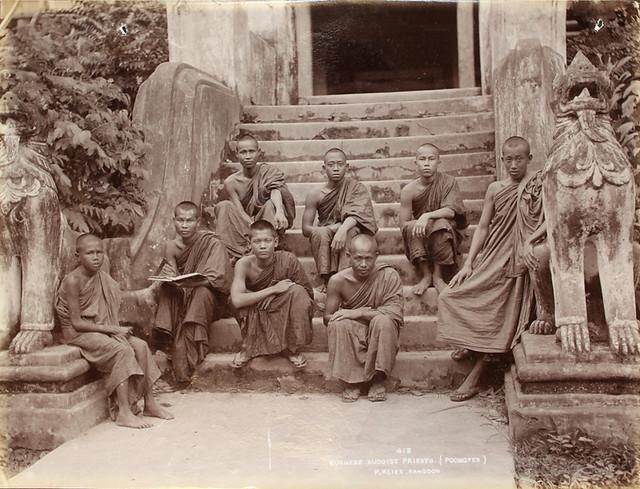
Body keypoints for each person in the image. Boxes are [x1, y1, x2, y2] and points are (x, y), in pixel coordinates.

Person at [437, 136, 543, 401]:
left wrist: (530, 241)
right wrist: (470, 263)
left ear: (529, 159)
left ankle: (474, 377)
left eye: (519, 159)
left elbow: (550, 219)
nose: (514, 164)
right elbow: (483, 227)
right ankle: (470, 342)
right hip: (492, 255)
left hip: (518, 260)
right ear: (502, 160)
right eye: (509, 159)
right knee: (450, 296)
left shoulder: (539, 185)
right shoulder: (495, 188)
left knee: (502, 314)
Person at [55, 234, 173, 429]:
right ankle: (124, 412)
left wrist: (111, 329)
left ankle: (150, 403)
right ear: (78, 256)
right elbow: (76, 323)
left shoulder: (102, 277)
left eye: (99, 252)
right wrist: (111, 329)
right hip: (78, 334)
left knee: (141, 346)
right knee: (123, 350)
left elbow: (107, 309)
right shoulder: (73, 280)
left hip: (101, 329)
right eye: (90, 253)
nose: (96, 257)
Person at [152, 201, 232, 385]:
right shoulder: (170, 246)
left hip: (209, 299)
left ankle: (192, 346)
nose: (185, 225)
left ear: (198, 221)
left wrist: (191, 283)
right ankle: (166, 337)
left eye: (189, 220)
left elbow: (220, 279)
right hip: (185, 294)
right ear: (174, 221)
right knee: (166, 288)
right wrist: (171, 276)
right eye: (181, 220)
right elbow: (173, 277)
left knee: (202, 290)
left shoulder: (212, 243)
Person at [325, 234, 403, 403]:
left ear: (377, 256)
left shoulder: (389, 275)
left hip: (380, 330)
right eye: (358, 258)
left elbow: (395, 313)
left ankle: (378, 380)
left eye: (368, 259)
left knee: (383, 320)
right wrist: (347, 317)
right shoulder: (337, 281)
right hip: (353, 331)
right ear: (348, 256)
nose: (363, 264)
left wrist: (359, 312)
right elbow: (327, 317)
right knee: (338, 323)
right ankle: (352, 381)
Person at [230, 220, 314, 369]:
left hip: (279, 305)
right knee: (234, 300)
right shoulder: (243, 264)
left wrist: (276, 294)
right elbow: (237, 300)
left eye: (267, 241)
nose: (262, 246)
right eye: (257, 241)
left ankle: (291, 347)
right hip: (257, 306)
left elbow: (307, 293)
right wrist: (272, 290)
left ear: (275, 242)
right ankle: (249, 346)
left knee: (298, 293)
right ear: (249, 244)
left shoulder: (288, 260)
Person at [302, 148, 378, 290]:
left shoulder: (356, 188)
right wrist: (330, 229)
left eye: (340, 164)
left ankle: (345, 276)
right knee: (320, 233)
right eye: (331, 165)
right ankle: (327, 280)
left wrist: (342, 229)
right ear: (324, 168)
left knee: (351, 230)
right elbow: (306, 229)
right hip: (327, 235)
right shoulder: (315, 194)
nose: (336, 168)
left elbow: (360, 214)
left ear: (347, 167)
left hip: (351, 233)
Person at [214, 134, 296, 259]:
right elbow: (240, 211)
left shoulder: (268, 172)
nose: (247, 156)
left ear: (259, 152)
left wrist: (279, 211)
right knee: (224, 205)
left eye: (251, 151)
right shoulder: (231, 182)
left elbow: (275, 190)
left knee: (270, 205)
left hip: (269, 219)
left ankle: (265, 243)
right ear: (237, 154)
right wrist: (253, 227)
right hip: (246, 223)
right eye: (243, 152)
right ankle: (239, 250)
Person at [400, 143, 467, 295]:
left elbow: (451, 211)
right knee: (411, 226)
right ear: (415, 162)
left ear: (439, 161)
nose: (427, 163)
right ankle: (426, 275)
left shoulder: (449, 182)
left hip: (446, 230)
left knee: (441, 224)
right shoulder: (409, 190)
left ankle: (438, 276)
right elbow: (403, 224)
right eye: (422, 159)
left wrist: (427, 216)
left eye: (431, 159)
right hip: (422, 233)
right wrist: (422, 223)